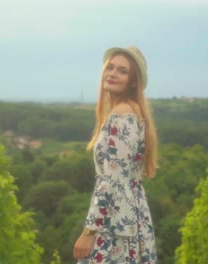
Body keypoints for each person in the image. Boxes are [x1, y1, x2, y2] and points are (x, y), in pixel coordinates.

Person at [73, 46, 158, 263]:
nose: (112, 73)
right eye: (110, 67)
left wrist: (89, 232)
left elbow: (112, 181)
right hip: (129, 216)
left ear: (132, 81)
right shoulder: (131, 111)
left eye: (122, 70)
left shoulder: (122, 115)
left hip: (115, 224)